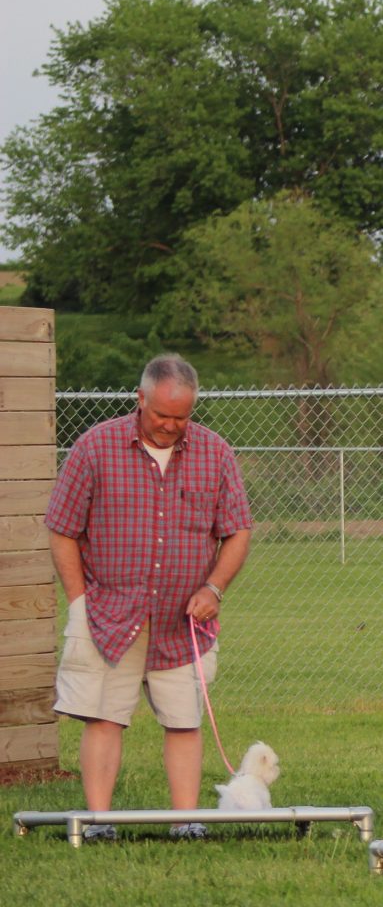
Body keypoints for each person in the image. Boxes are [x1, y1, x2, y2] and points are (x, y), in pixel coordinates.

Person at [45, 354, 252, 840]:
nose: (171, 426)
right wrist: (79, 602)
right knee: (103, 719)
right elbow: (61, 530)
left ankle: (186, 820)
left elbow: (238, 531)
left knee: (184, 720)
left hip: (183, 623)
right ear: (140, 399)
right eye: (162, 415)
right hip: (107, 614)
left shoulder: (216, 453)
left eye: (182, 417)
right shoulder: (95, 447)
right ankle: (98, 822)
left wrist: (213, 587)